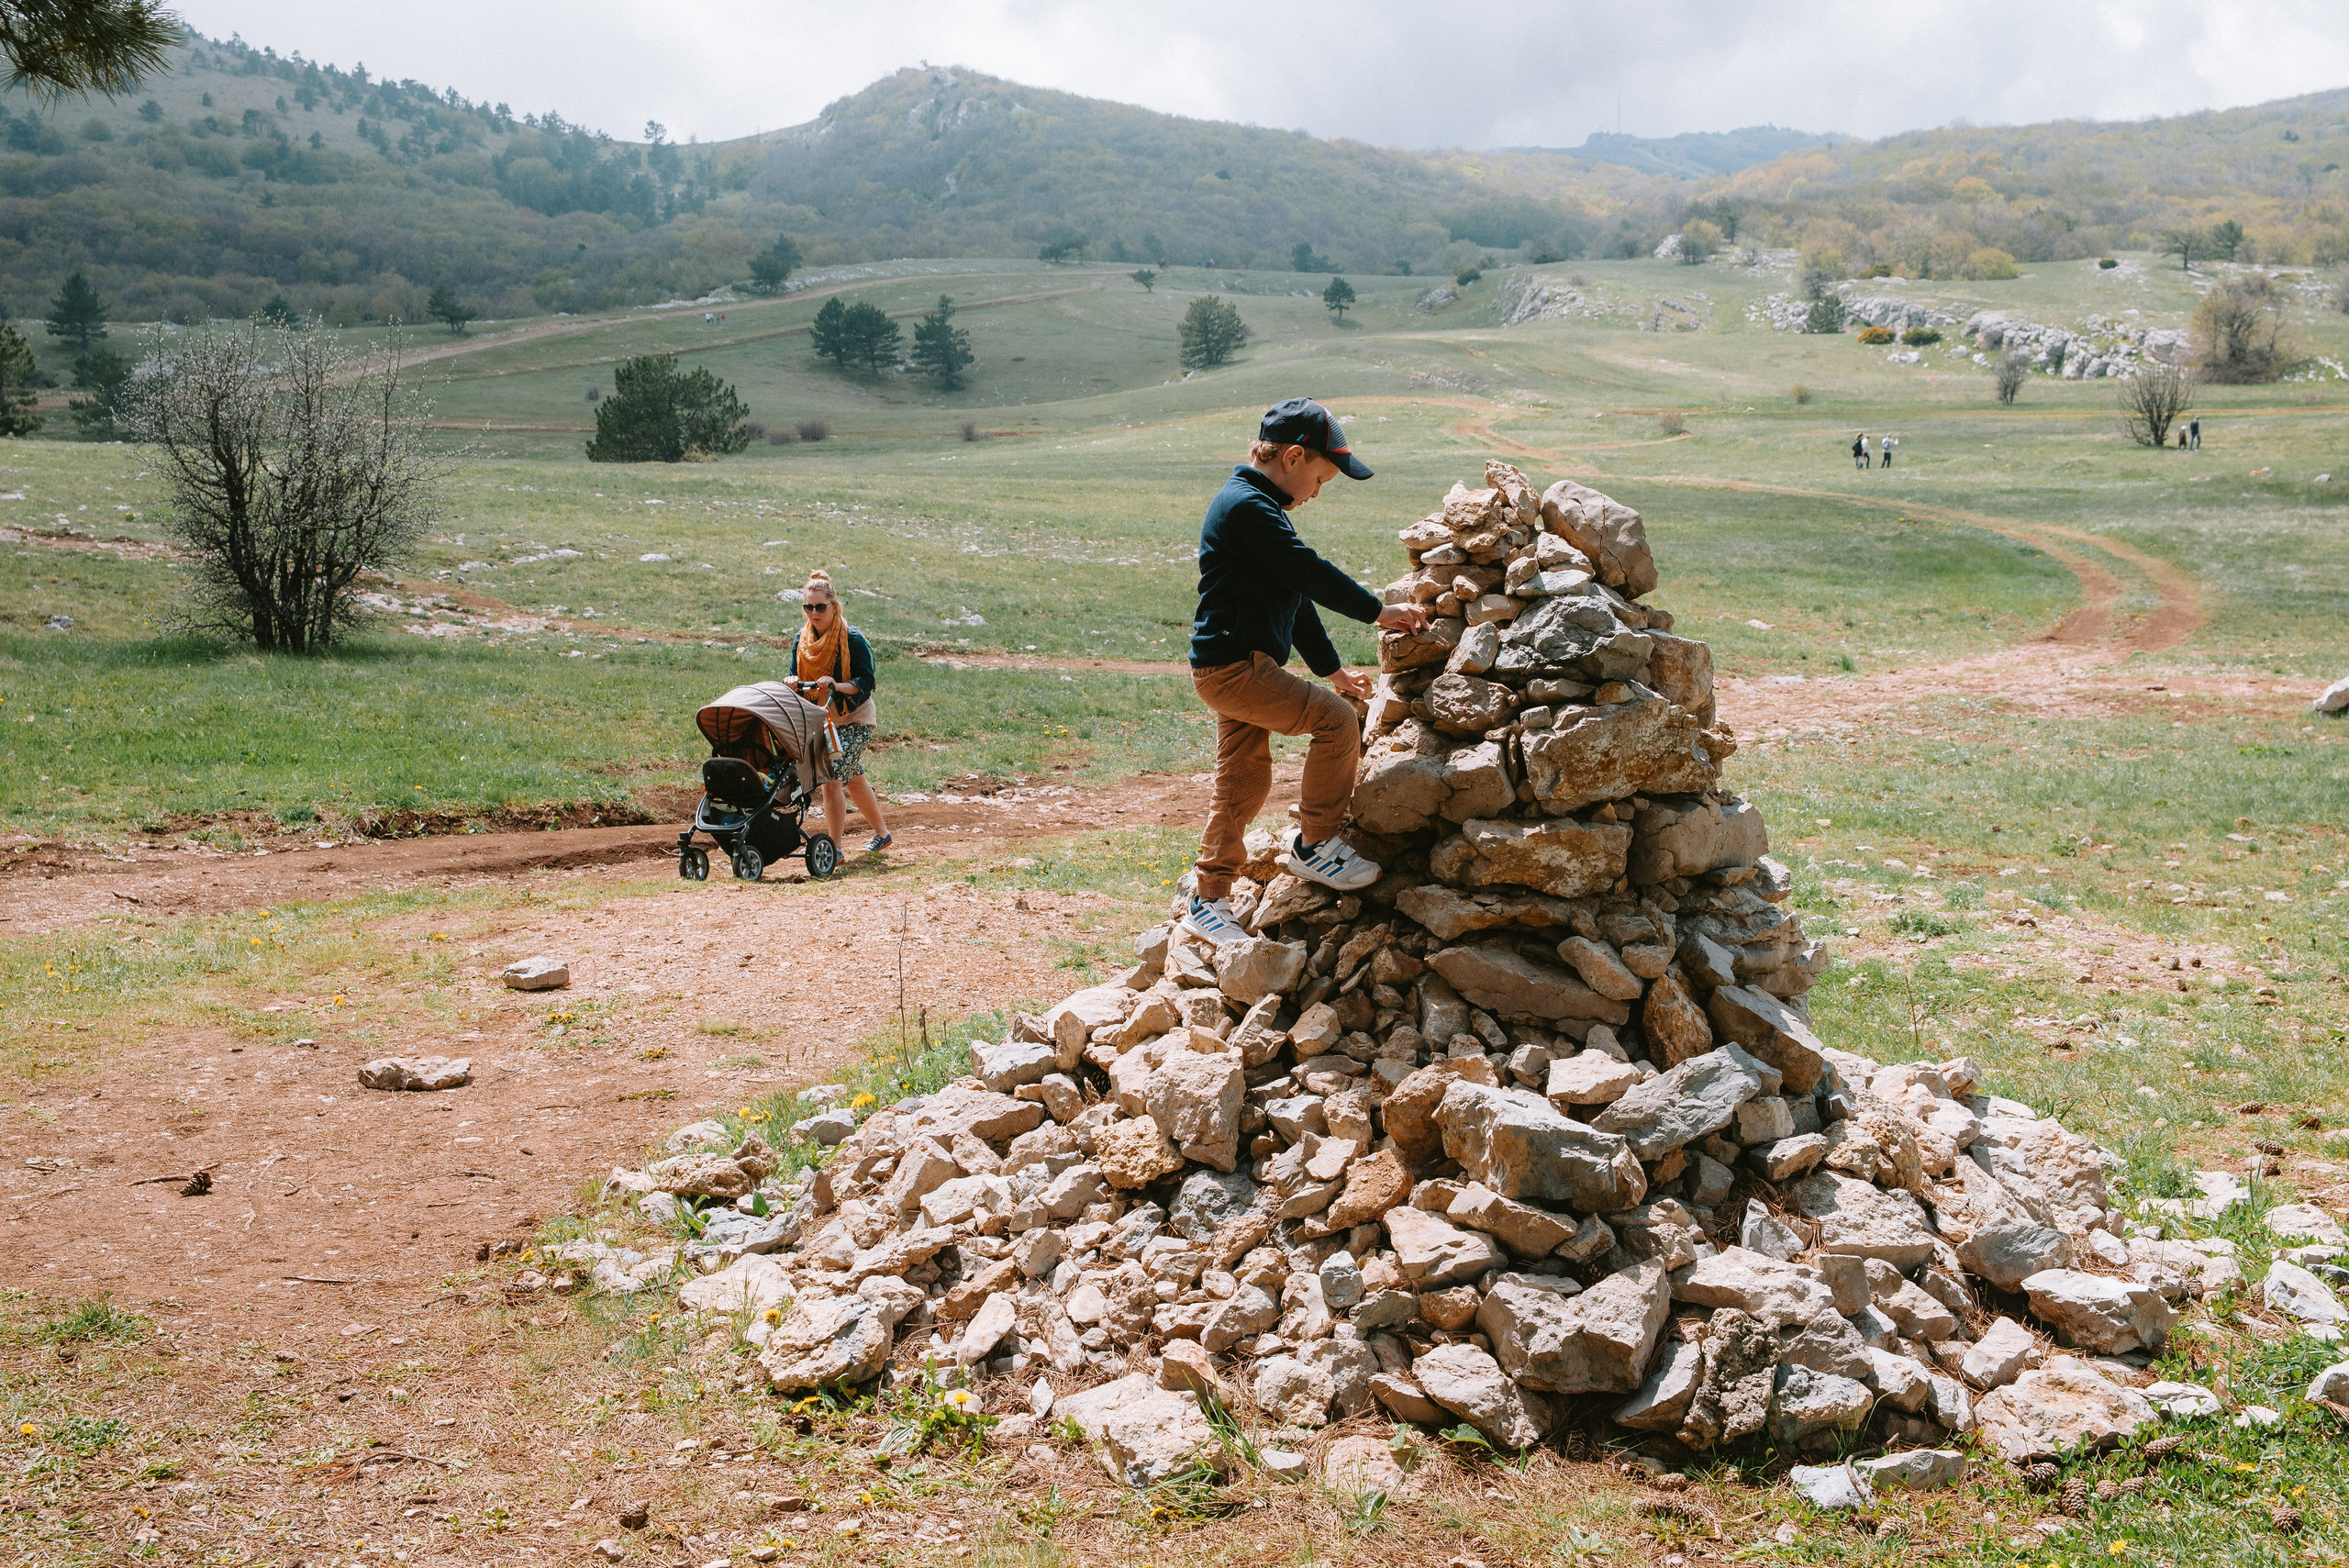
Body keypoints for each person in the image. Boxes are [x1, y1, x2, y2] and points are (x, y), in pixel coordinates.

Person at [1181, 398, 1430, 947]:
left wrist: (1332, 669)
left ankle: (1209, 898)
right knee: (1336, 722)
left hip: (1234, 665)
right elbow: (1306, 571)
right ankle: (1315, 845)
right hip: (1235, 668)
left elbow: (1295, 596)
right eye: (1320, 479)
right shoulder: (1246, 508)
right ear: (1293, 457)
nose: (1317, 492)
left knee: (1242, 779)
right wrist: (1378, 612)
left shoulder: (1256, 508)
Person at [788, 570, 894, 854]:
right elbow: (794, 674)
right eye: (808, 607)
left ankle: (834, 850)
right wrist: (792, 681)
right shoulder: (802, 639)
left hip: (855, 719)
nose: (813, 613)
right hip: (824, 721)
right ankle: (883, 835)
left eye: (820, 607)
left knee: (831, 778)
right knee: (854, 779)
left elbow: (867, 682)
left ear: (834, 606)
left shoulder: (852, 638)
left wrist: (837, 685)